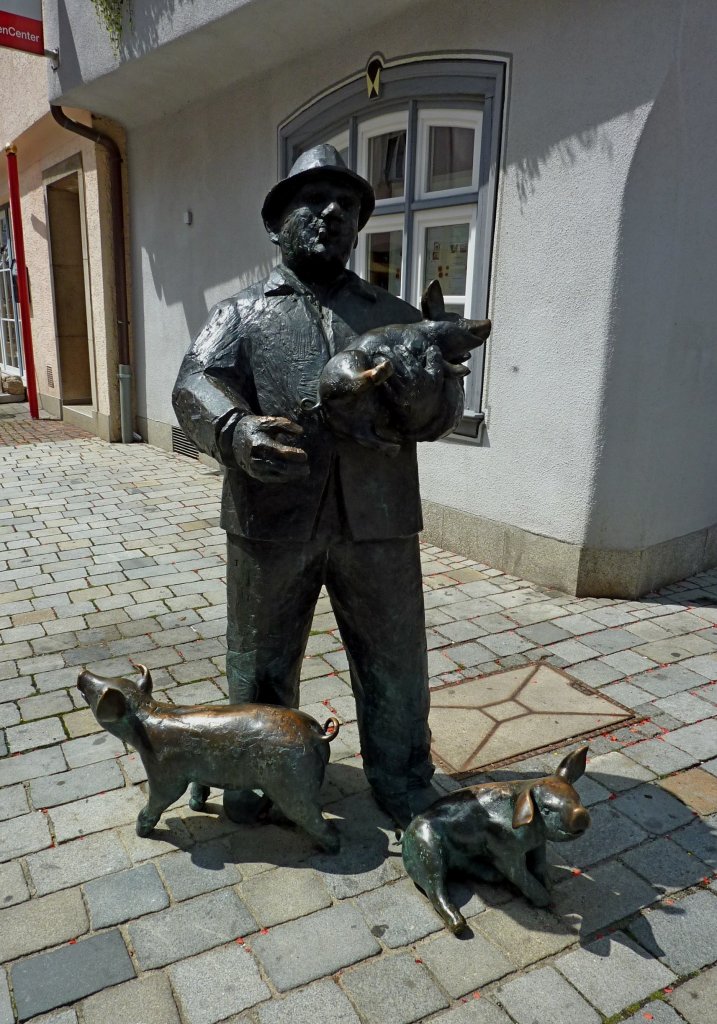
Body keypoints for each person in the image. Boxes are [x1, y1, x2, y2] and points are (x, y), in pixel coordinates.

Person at [172, 145, 464, 826]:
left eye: (348, 206)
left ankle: (401, 778)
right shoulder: (240, 314)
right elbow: (194, 383)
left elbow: (437, 415)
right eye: (313, 201)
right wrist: (235, 432)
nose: (332, 213)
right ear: (276, 225)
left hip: (379, 519)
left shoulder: (392, 315)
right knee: (261, 661)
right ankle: (254, 778)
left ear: (359, 226)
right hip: (270, 516)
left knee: (393, 663)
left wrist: (431, 395)